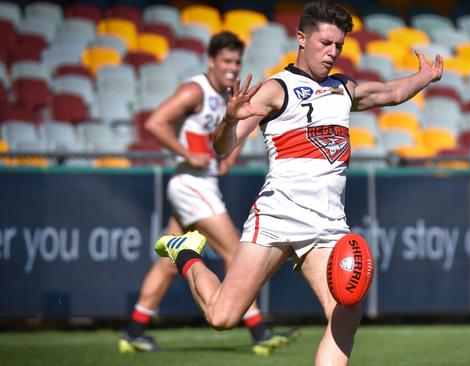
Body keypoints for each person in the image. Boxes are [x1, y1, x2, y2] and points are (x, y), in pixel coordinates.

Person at [154, 1, 444, 364]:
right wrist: (229, 121)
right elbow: (223, 145)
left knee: (346, 311)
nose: (332, 52)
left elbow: (391, 92)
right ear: (302, 38)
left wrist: (426, 77)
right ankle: (185, 251)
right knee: (222, 317)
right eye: (325, 43)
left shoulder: (343, 88)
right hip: (278, 216)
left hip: (327, 225)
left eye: (338, 45)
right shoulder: (277, 88)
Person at [118, 31, 298, 356]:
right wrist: (186, 154)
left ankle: (132, 332)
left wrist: (225, 156)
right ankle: (259, 333)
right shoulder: (194, 89)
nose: (232, 67)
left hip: (202, 183)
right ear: (212, 61)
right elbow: (155, 123)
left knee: (169, 265)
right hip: (190, 183)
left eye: (237, 62)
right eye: (226, 61)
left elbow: (223, 136)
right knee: (234, 252)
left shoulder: (226, 96)